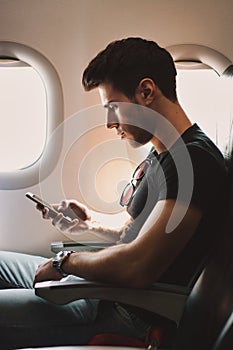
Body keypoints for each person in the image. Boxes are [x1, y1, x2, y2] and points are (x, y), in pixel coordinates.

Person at [0, 37, 227, 349]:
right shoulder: (163, 153)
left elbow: (139, 266)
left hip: (124, 308)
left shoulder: (194, 161)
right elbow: (132, 233)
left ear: (147, 92)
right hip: (101, 286)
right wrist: (87, 225)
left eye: (113, 107)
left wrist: (65, 262)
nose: (109, 123)